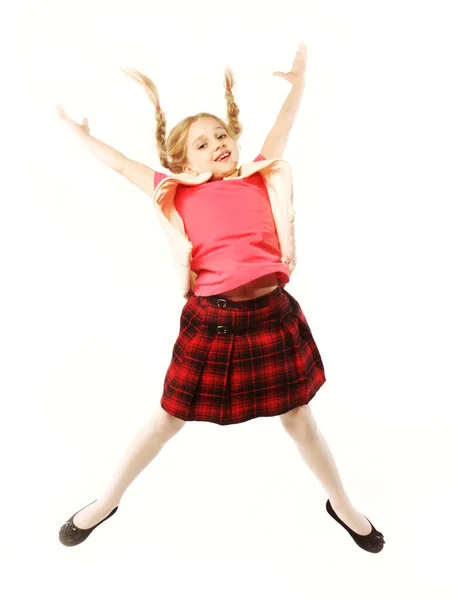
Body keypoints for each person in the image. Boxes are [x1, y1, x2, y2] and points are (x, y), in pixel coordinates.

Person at [56, 43, 385, 552]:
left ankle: (342, 504)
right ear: (182, 163)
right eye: (202, 146)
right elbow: (123, 166)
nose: (217, 146)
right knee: (169, 416)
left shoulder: (259, 175)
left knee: (299, 418)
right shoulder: (176, 191)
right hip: (214, 322)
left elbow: (284, 129)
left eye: (221, 136)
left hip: (273, 317)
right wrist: (81, 135)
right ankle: (107, 500)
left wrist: (298, 86)